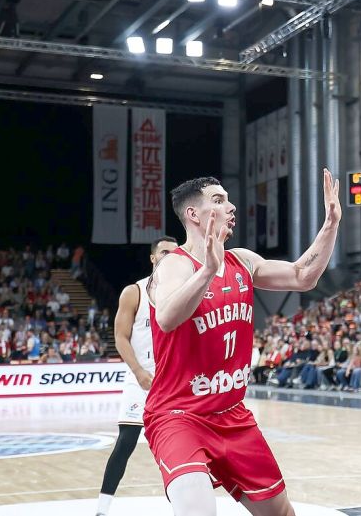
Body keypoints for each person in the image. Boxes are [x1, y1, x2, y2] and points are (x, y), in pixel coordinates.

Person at [144, 171, 340, 516]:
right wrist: (206, 271)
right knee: (197, 509)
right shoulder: (175, 264)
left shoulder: (242, 261)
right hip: (179, 415)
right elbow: (166, 318)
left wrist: (331, 224)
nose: (231, 206)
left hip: (232, 414)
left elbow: (302, 276)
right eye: (218, 200)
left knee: (281, 514)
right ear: (194, 215)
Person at [95, 236, 178, 516]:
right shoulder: (135, 291)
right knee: (126, 442)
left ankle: (188, 505)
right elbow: (120, 337)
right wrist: (139, 371)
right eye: (164, 252)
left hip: (176, 380)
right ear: (153, 257)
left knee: (181, 445)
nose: (170, 256)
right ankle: (102, 509)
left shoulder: (186, 291)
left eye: (175, 253)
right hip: (141, 377)